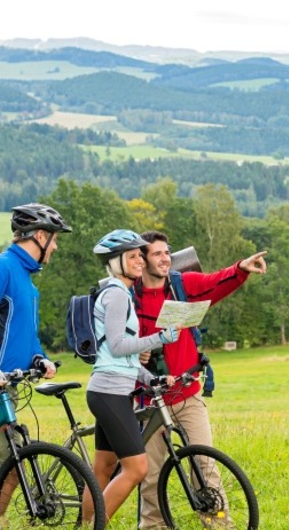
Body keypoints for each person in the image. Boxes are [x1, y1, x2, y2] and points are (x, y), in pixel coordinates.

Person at [133, 230, 267, 529]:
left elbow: (215, 283)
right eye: (157, 254)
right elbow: (115, 343)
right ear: (141, 260)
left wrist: (240, 269)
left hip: (187, 394)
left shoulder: (182, 285)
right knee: (151, 478)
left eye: (167, 252)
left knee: (205, 468)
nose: (165, 258)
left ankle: (220, 525)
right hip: (149, 401)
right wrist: (137, 355)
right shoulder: (129, 297)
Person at [81, 230, 181, 526]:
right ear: (116, 261)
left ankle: (84, 524)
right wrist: (158, 338)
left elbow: (122, 358)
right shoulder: (115, 295)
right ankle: (96, 525)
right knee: (137, 468)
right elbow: (118, 346)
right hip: (109, 393)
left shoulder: (121, 293)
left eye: (141, 255)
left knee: (104, 468)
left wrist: (151, 379)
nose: (140, 261)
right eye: (133, 256)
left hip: (112, 388)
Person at [0, 203, 72, 518]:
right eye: (54, 239)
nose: (55, 247)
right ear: (40, 235)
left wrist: (39, 358)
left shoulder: (28, 282)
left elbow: (25, 335)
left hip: (8, 388)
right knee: (11, 459)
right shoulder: (3, 266)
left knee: (12, 462)